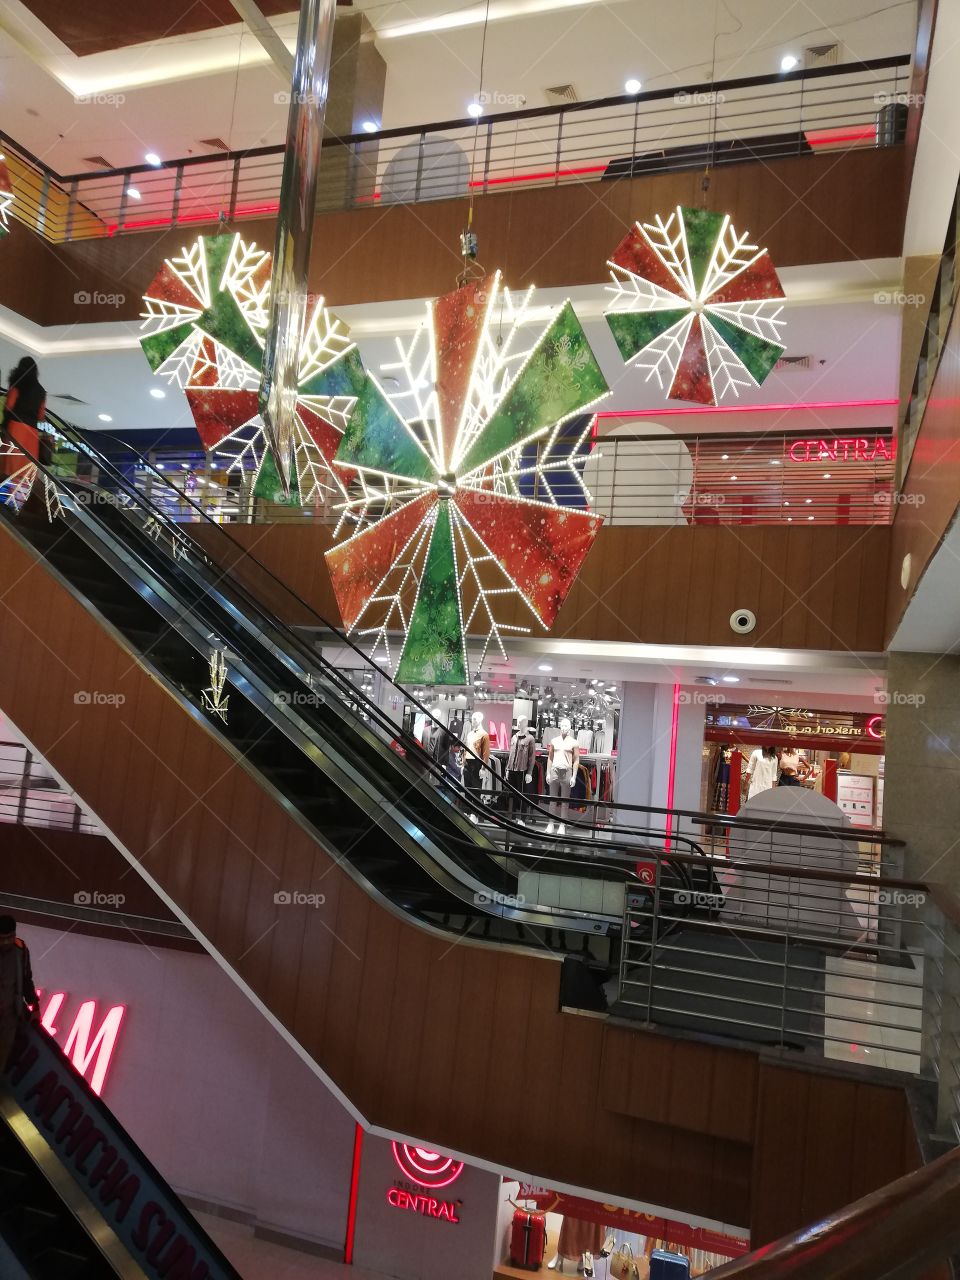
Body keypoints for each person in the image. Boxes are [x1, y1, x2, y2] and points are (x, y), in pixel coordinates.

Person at [0, 915, 39, 1072]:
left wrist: (34, 1006)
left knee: (3, 1055)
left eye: (10, 938)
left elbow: (26, 979)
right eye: (2, 939)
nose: (6, 943)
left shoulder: (20, 950)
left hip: (9, 1015)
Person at [1, 356, 47, 480]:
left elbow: (9, 406)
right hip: (32, 432)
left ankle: (5, 494)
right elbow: (41, 416)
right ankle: (22, 496)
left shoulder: (18, 383)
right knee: (26, 467)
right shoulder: (41, 391)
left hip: (15, 428)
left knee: (10, 465)